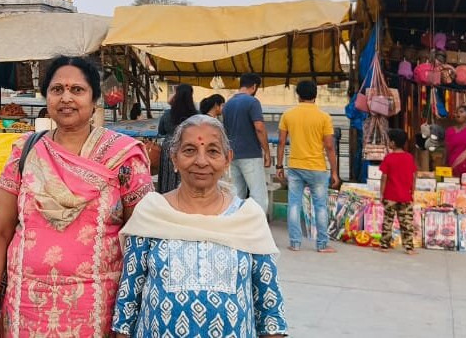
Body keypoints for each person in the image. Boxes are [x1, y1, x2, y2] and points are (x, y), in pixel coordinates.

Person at [0, 56, 154, 338]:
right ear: (46, 97)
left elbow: (140, 238)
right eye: (57, 89)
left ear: (95, 98)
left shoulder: (122, 156)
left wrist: (130, 313)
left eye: (77, 90)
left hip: (97, 308)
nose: (66, 98)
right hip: (26, 306)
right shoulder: (25, 151)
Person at [112, 115, 287, 338]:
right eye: (189, 151)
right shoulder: (152, 212)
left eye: (213, 151)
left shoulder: (248, 217)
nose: (201, 161)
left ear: (227, 159)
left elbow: (270, 308)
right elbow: (127, 302)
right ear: (173, 158)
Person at [276, 80, 338, 253]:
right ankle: (322, 244)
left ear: (298, 95)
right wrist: (334, 172)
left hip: (295, 165)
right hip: (317, 167)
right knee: (320, 206)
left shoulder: (288, 115)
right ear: (315, 95)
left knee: (294, 204)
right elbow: (330, 146)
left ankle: (295, 243)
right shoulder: (324, 117)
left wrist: (279, 165)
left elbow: (281, 142)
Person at [222, 74, 272, 212]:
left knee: (235, 196)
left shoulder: (227, 104)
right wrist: (266, 151)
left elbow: (225, 131)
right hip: (251, 155)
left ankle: (233, 226)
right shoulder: (252, 102)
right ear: (254, 86)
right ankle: (257, 228)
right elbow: (259, 128)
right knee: (259, 196)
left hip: (232, 155)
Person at [379, 128, 417, 255]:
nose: (388, 143)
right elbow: (413, 175)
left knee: (388, 221)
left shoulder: (389, 158)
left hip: (390, 195)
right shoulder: (409, 157)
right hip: (406, 196)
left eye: (389, 141)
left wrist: (381, 193)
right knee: (406, 222)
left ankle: (384, 245)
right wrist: (412, 192)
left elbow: (384, 177)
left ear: (393, 143)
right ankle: (409, 248)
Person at [156, 84, 197, 193]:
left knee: (167, 175)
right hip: (189, 147)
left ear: (176, 95)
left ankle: (167, 198)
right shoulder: (196, 115)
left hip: (169, 147)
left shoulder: (168, 114)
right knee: (186, 173)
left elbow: (161, 131)